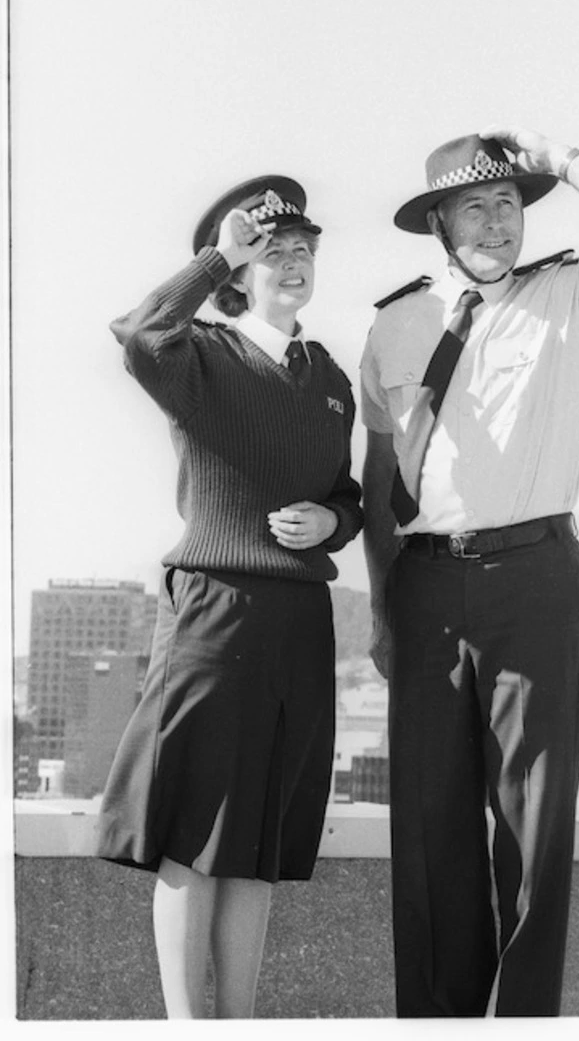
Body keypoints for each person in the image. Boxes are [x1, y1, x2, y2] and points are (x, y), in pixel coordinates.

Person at [360, 126, 579, 1017]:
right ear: (440, 225)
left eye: (509, 204)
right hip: (425, 588)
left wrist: (562, 160)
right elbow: (382, 481)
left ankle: (524, 1027)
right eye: (476, 207)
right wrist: (386, 607)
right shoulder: (394, 321)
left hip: (533, 579)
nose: (499, 223)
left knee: (534, 831)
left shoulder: (566, 295)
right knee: (429, 828)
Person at [96, 175, 363, 1018]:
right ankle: (188, 1030)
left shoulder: (328, 376)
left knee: (257, 847)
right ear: (237, 273)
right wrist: (216, 258)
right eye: (269, 250)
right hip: (215, 614)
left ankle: (240, 1027)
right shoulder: (200, 355)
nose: (290, 262)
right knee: (193, 837)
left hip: (298, 624)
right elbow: (139, 333)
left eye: (302, 251)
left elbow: (350, 497)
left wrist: (332, 519)